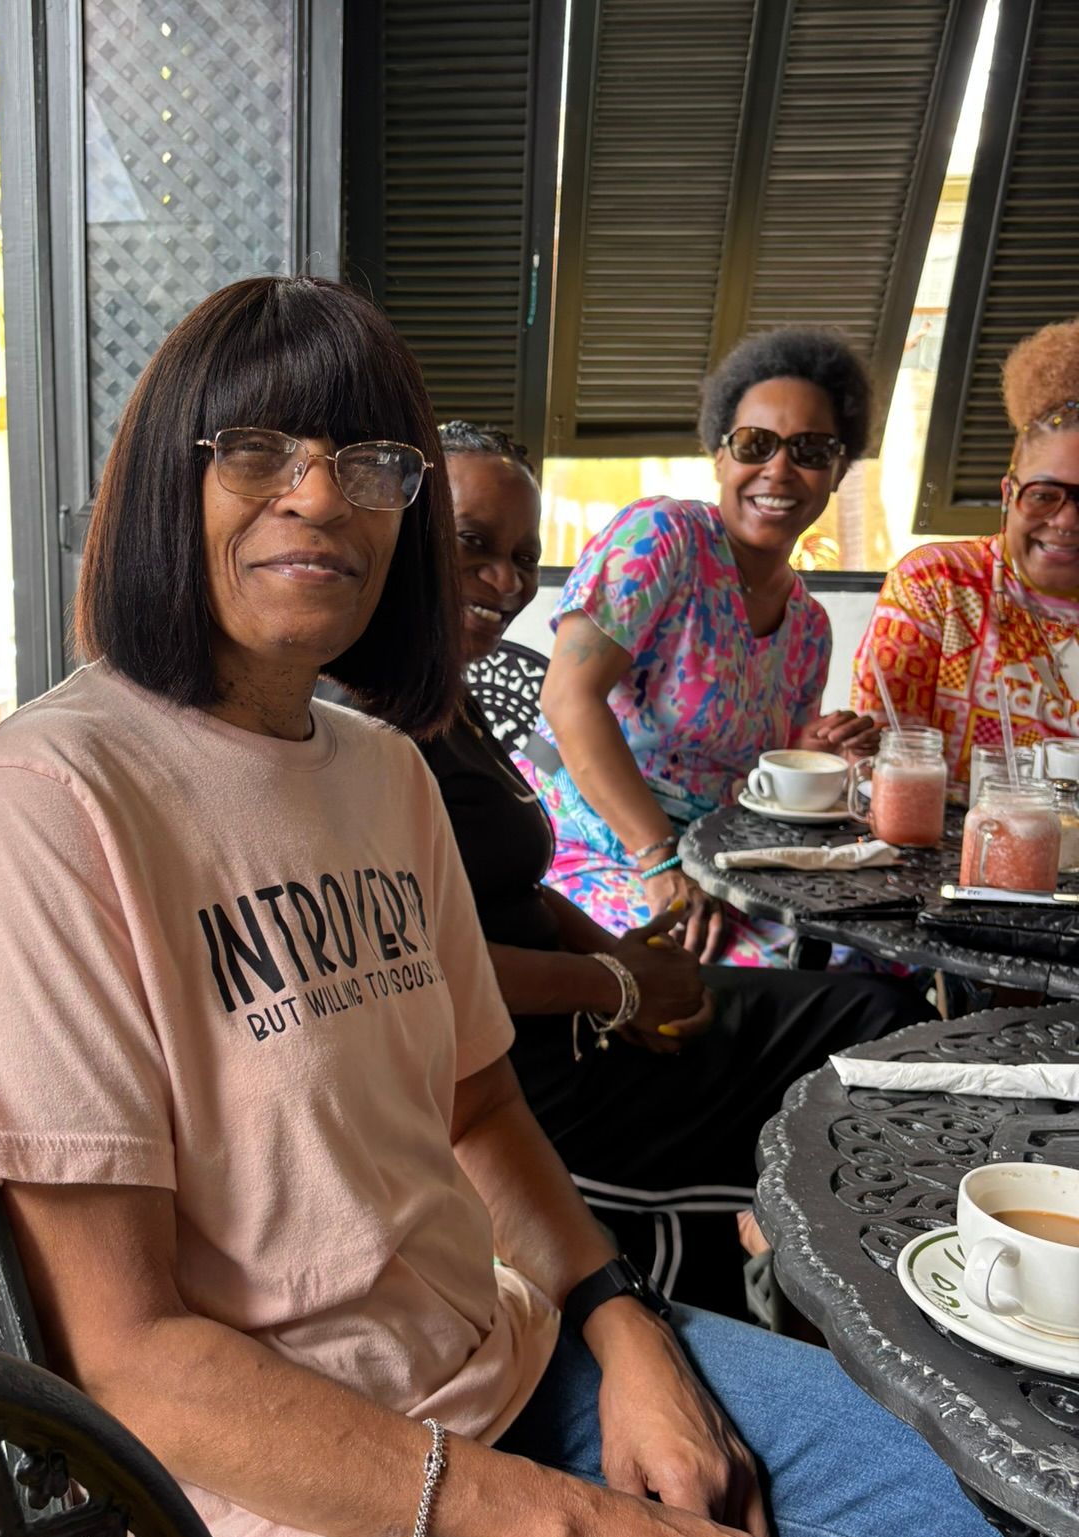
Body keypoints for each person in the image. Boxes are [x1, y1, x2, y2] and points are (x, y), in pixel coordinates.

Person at [0, 277, 1079, 1537]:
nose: (321, 499)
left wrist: (626, 1324)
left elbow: (477, 1114)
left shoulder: (377, 772)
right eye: (258, 449)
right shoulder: (54, 800)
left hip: (523, 1367)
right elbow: (128, 1353)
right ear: (165, 475)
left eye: (370, 464)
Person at [410, 420, 927, 1316]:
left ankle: (836, 1269)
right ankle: (793, 1279)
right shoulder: (361, 729)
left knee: (880, 1007)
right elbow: (418, 973)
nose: (507, 583)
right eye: (471, 546)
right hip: (532, 1086)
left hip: (587, 998)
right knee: (849, 1056)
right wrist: (615, 982)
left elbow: (513, 890)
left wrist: (630, 966)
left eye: (525, 557)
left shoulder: (438, 706)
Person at [518, 327, 879, 967]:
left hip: (719, 857)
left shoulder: (809, 628)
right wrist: (658, 861)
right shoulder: (663, 537)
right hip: (584, 838)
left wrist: (821, 752)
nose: (779, 469)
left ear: (838, 470)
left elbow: (768, 776)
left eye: (811, 449)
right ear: (720, 456)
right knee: (734, 979)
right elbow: (568, 699)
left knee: (864, 960)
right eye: (755, 444)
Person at [854, 318, 1079, 789]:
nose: (1066, 521)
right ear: (1008, 493)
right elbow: (881, 769)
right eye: (1043, 495)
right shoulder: (938, 587)